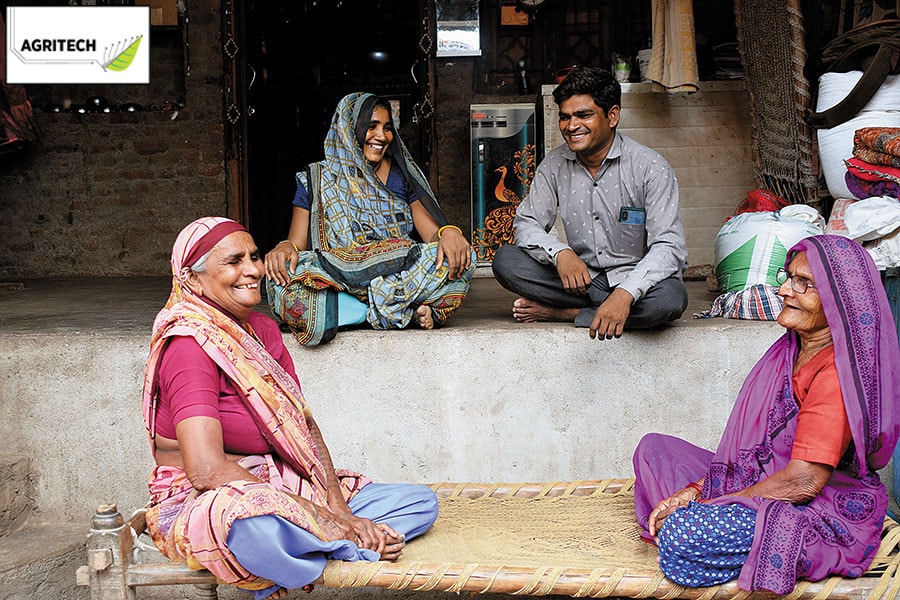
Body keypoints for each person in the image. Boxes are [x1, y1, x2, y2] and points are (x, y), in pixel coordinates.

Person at [142, 217, 439, 600]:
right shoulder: (189, 345)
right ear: (193, 279)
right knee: (254, 532)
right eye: (233, 262)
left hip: (284, 478)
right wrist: (318, 515)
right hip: (218, 494)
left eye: (254, 256)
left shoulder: (262, 331)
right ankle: (349, 547)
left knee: (418, 504)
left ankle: (316, 549)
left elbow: (304, 428)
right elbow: (206, 470)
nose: (253, 270)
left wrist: (340, 510)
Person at [632, 235, 900, 594]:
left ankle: (733, 543)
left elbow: (803, 482)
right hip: (764, 477)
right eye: (788, 276)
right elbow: (758, 451)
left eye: (803, 284)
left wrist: (712, 503)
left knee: (684, 535)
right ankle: (712, 532)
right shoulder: (791, 349)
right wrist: (696, 490)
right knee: (654, 450)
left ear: (837, 302)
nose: (785, 290)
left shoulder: (837, 373)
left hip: (814, 507)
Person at [491, 66, 688, 340]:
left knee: (670, 300)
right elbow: (527, 223)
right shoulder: (554, 165)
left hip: (635, 283)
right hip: (580, 282)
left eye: (583, 115)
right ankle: (599, 308)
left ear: (612, 116)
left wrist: (625, 293)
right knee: (506, 261)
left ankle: (567, 314)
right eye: (565, 117)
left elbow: (669, 246)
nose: (572, 126)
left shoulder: (650, 168)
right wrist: (561, 254)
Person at [264, 92, 476, 346]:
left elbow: (431, 235)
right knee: (281, 277)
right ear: (347, 129)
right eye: (371, 126)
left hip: (395, 270)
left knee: (463, 257)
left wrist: (449, 233)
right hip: (339, 275)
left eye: (387, 128)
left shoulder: (401, 177)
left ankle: (349, 312)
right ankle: (394, 312)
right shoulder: (317, 178)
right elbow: (296, 244)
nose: (382, 136)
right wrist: (284, 247)